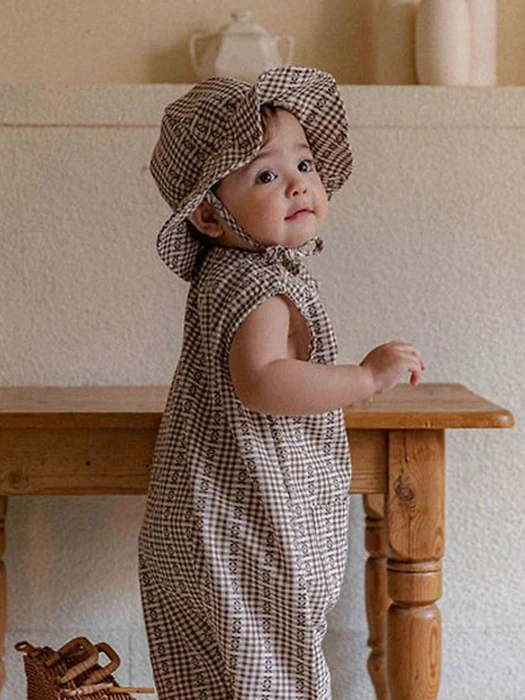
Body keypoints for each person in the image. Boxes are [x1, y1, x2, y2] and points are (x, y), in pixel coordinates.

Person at [138, 66, 425, 700]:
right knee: (278, 675)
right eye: (266, 175)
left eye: (304, 163)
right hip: (245, 526)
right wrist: (365, 377)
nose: (297, 182)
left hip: (196, 518)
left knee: (215, 680)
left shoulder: (224, 274)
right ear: (209, 215)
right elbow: (265, 381)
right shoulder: (260, 285)